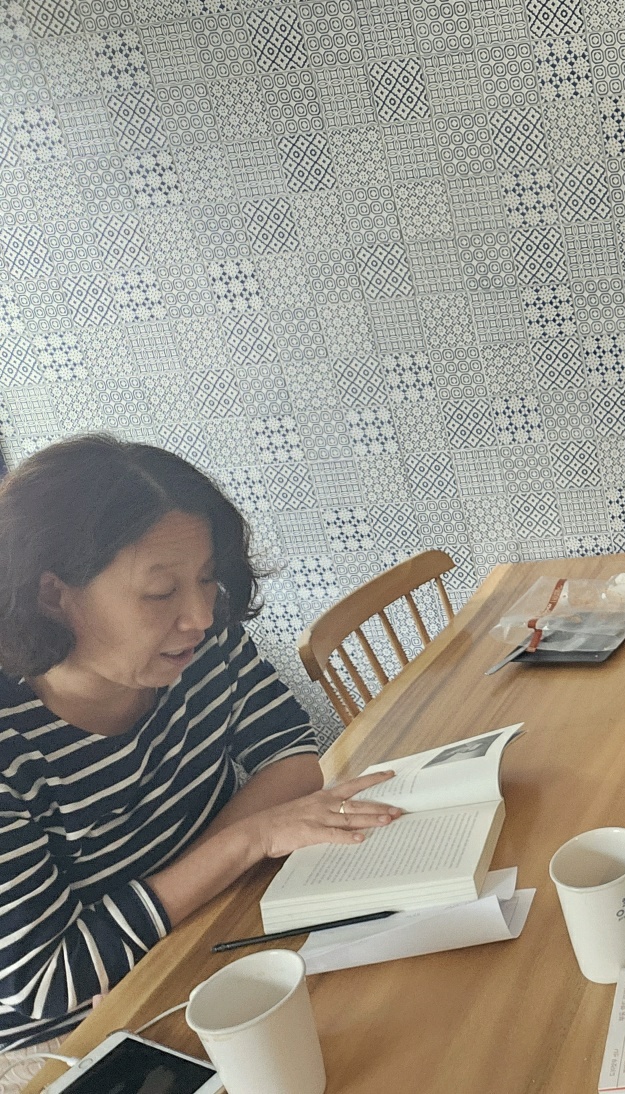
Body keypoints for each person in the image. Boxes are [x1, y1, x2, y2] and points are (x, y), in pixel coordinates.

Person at [0, 436, 402, 1083]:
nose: (201, 616)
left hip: (207, 924)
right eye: (161, 591)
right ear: (54, 595)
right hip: (68, 1035)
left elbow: (291, 753)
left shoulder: (196, 644)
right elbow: (49, 982)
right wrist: (248, 840)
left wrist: (204, 877)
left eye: (208, 578)